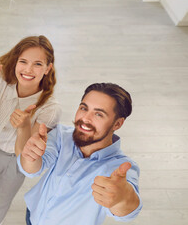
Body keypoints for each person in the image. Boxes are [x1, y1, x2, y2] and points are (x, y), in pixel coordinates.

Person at [0, 36, 62, 225]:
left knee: (2, 198)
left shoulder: (50, 108)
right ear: (15, 61)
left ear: (48, 68)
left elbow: (24, 155)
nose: (27, 70)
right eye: (23, 62)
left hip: (14, 160)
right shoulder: (4, 74)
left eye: (37, 64)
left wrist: (24, 127)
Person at [18, 83, 142, 225]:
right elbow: (31, 170)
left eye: (98, 114)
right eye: (84, 108)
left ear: (117, 124)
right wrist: (31, 155)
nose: (85, 118)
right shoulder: (61, 135)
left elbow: (129, 211)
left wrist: (123, 198)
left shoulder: (120, 167)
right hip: (34, 214)